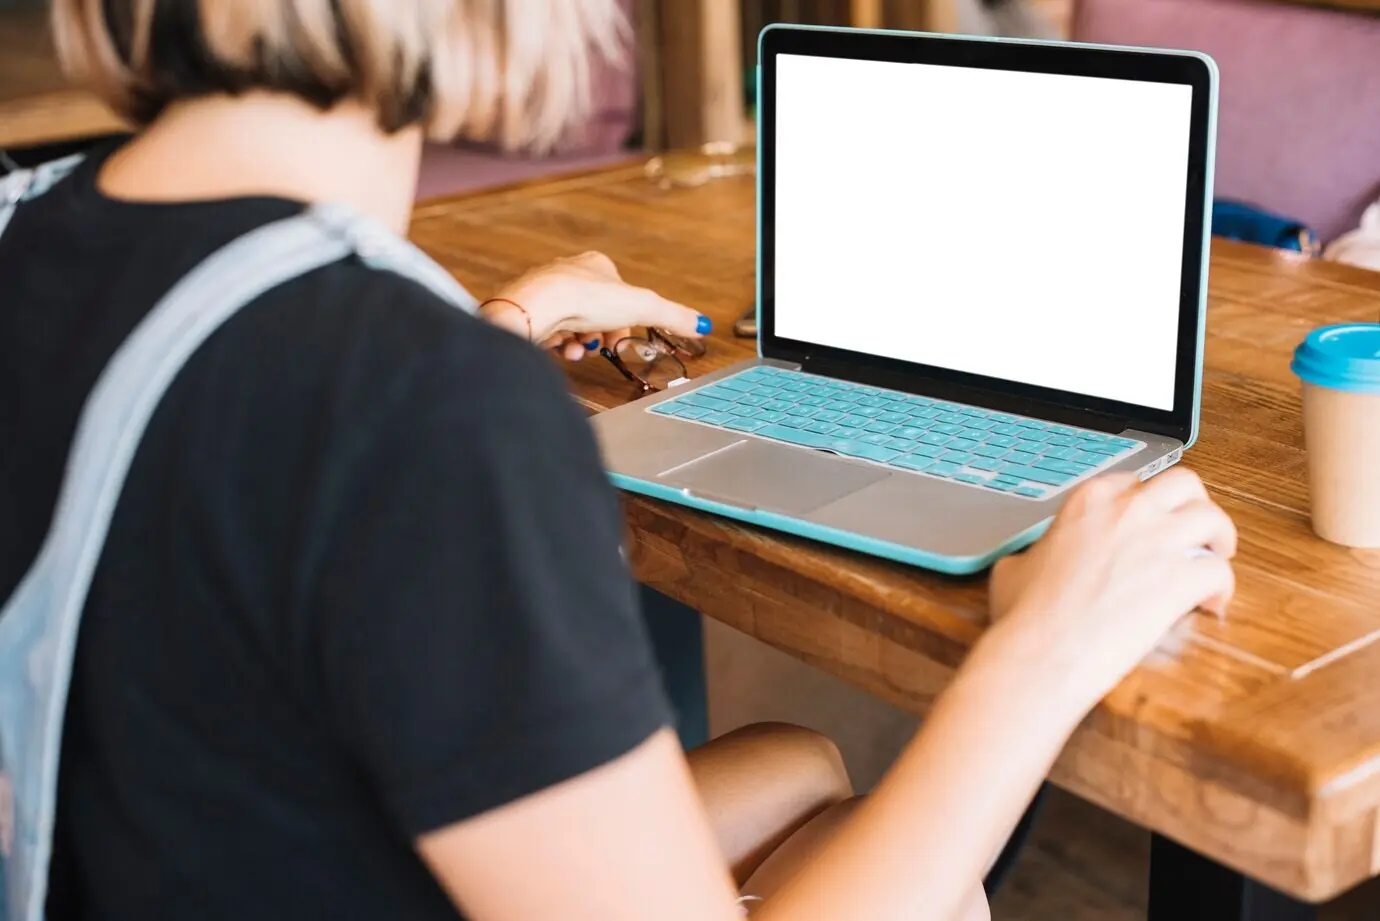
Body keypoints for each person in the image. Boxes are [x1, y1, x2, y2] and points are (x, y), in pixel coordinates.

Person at [0, 1, 1237, 919]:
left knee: (802, 768)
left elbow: (232, 463)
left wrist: (491, 346)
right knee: (935, 886)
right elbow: (356, 442)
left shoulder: (37, 232)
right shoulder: (418, 407)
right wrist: (1044, 654)